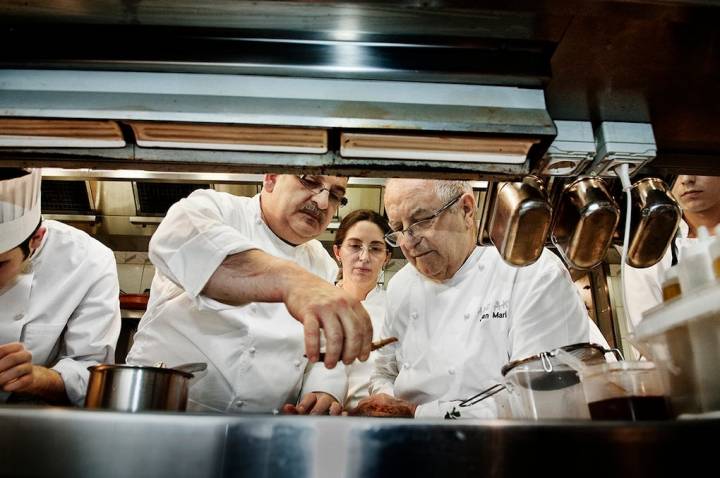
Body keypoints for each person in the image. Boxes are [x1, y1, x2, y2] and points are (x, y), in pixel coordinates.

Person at [126, 174, 373, 414]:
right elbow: (174, 244)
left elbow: (323, 347)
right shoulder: (215, 209)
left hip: (263, 427)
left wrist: (323, 390)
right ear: (271, 178)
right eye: (309, 181)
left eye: (335, 196)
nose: (321, 203)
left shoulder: (321, 262)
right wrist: (291, 280)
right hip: (168, 411)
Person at [349, 179, 589, 419]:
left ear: (466, 209)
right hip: (410, 441)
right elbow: (384, 372)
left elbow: (543, 399)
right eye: (398, 229)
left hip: (503, 447)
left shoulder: (530, 270)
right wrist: (386, 403)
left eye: (421, 220)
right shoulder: (401, 285)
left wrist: (418, 414)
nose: (408, 242)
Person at [0, 168, 121, 406]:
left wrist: (34, 378)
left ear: (36, 238)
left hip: (32, 425)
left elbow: (91, 374)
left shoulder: (90, 261)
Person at [623, 174, 720, 328]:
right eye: (675, 172)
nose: (687, 179)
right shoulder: (648, 253)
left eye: (697, 166)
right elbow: (651, 337)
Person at [332, 209, 392, 409]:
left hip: (373, 420)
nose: (364, 257)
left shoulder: (394, 309)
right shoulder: (315, 302)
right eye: (355, 246)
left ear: (386, 258)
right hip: (315, 417)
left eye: (375, 249)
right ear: (337, 252)